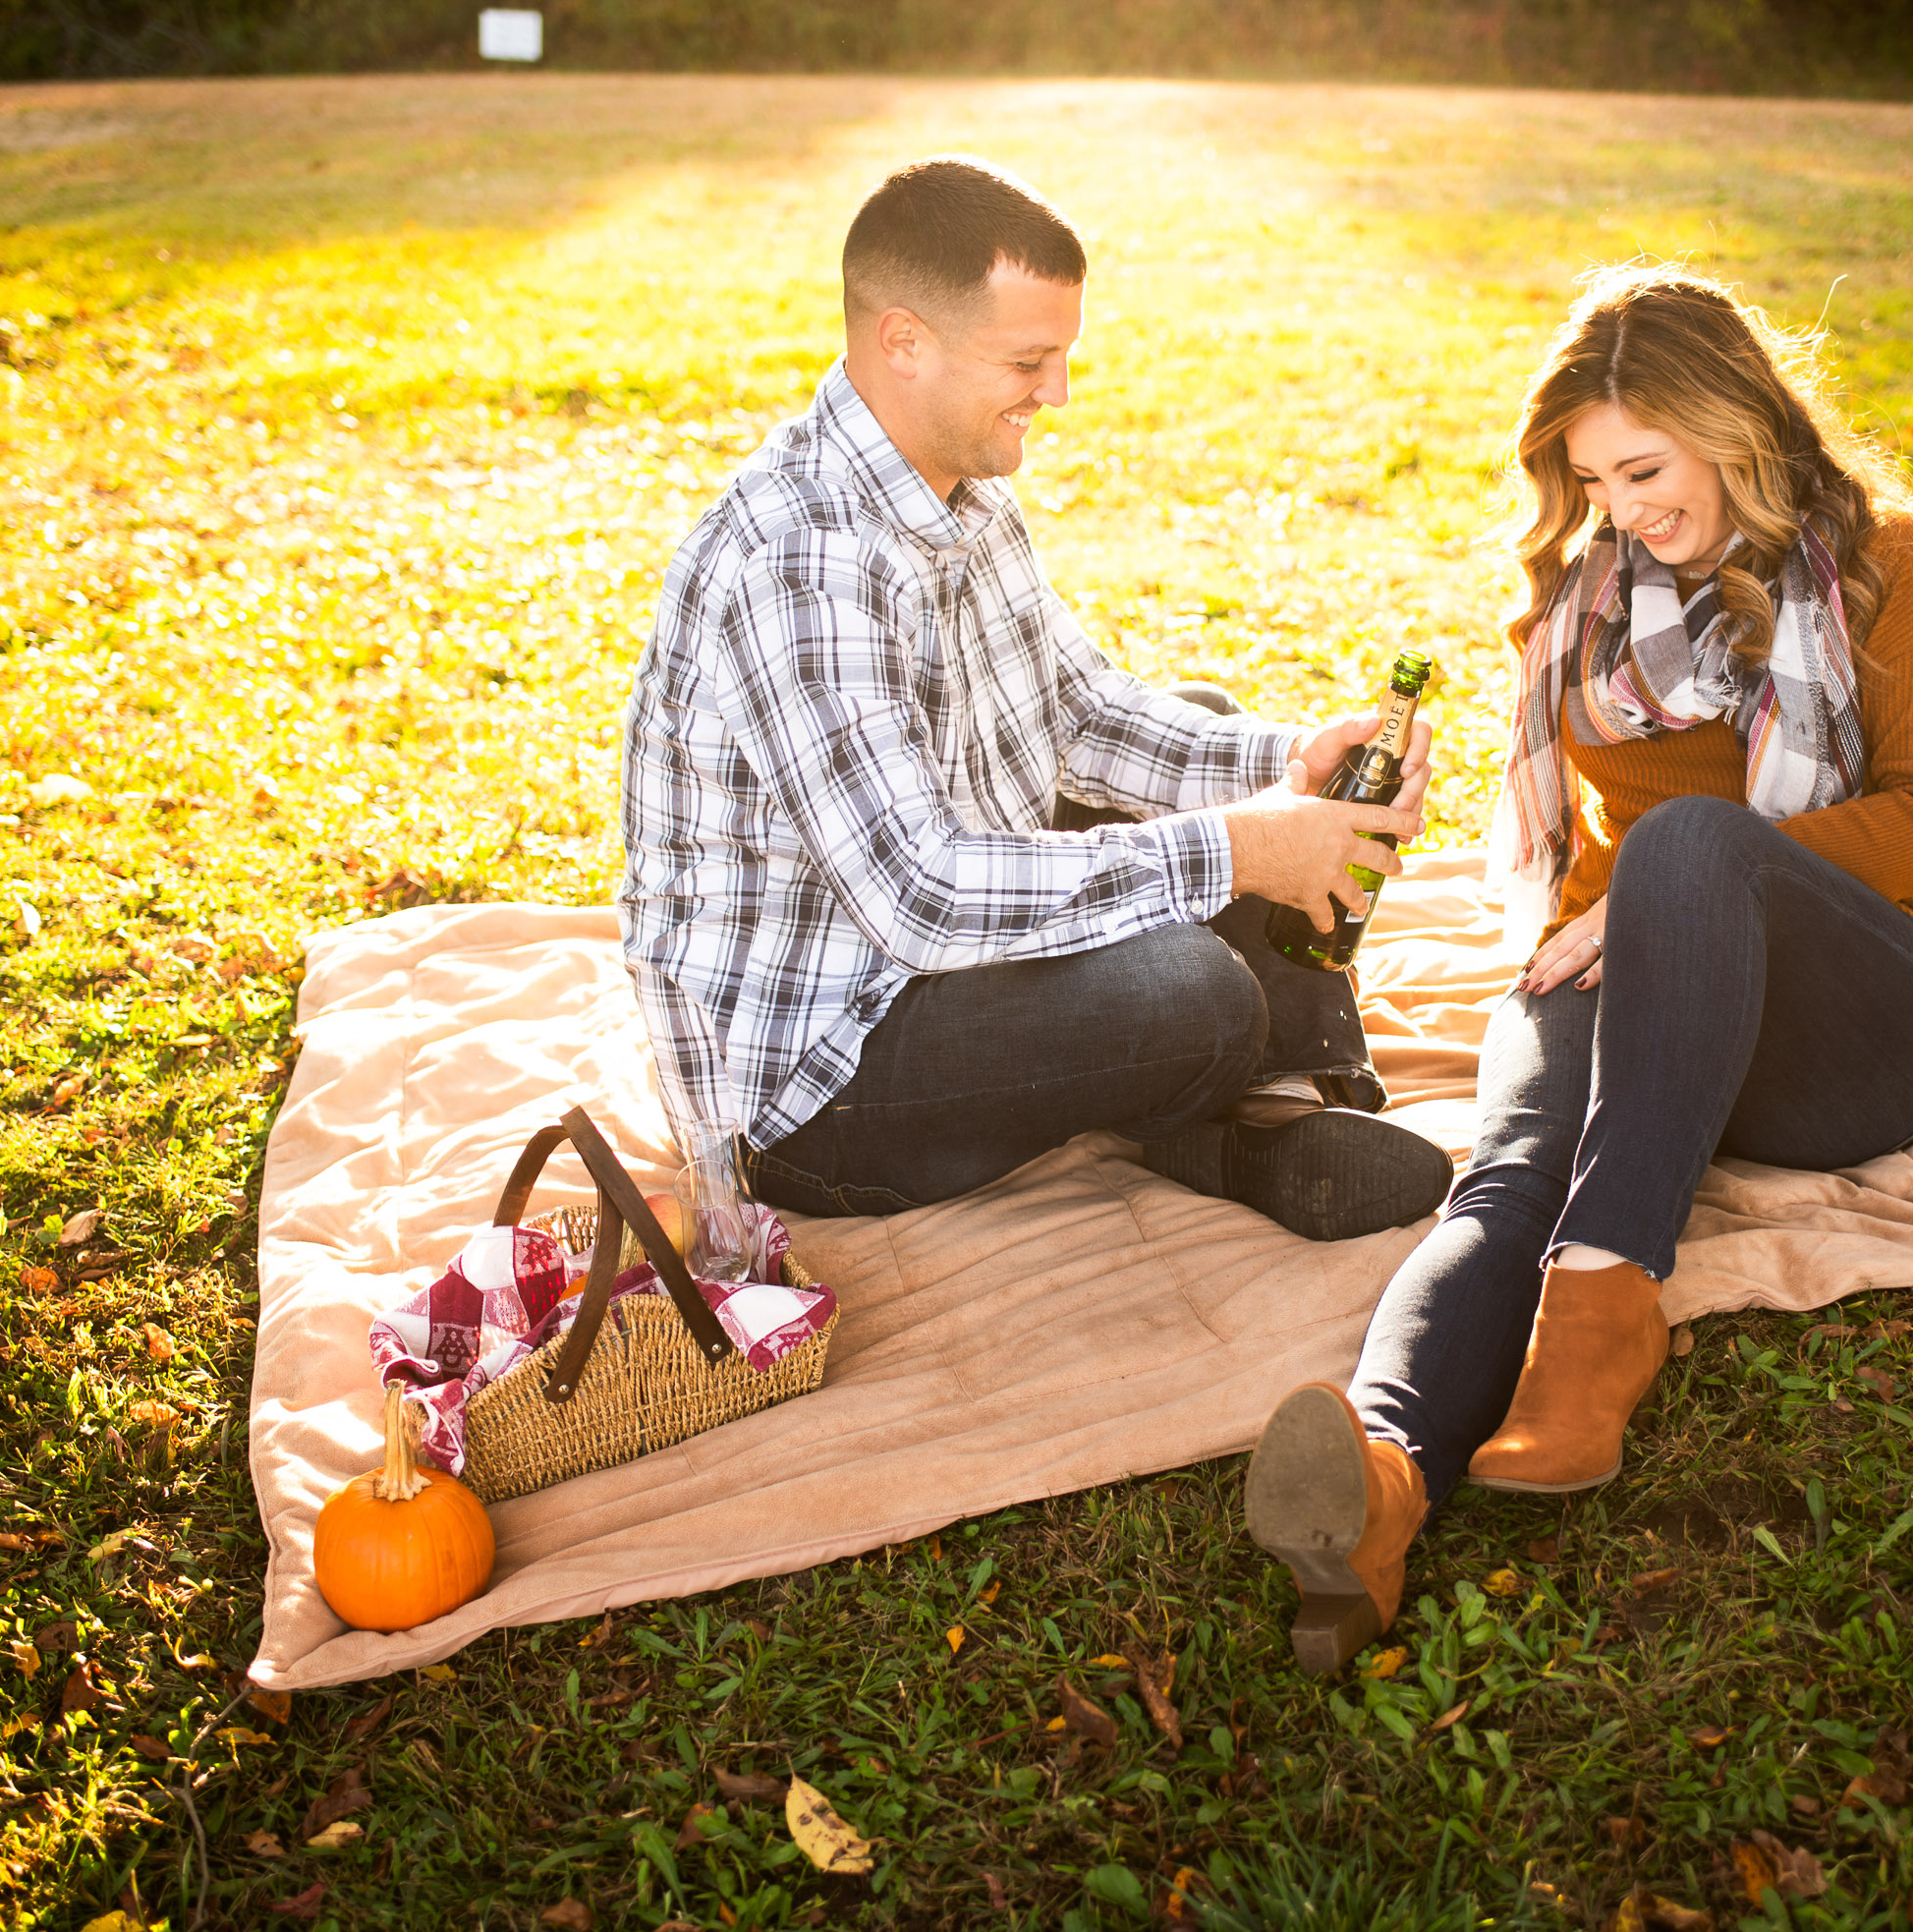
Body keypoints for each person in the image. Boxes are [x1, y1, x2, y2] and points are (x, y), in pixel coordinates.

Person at [1242, 265, 1913, 1675]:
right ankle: (1384, 1488)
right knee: (1512, 1167)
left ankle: (1603, 1322)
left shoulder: (1902, 568)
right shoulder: (1593, 597)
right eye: (1593, 480)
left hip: (1858, 1033)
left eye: (1645, 467)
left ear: (1736, 424)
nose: (1624, 508)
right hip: (1645, 983)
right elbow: (1594, 832)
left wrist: (1664, 890)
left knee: (1689, 850)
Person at [618, 156, 1453, 1242]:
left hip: (925, 934)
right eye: (1028, 360)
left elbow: (1076, 713)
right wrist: (1243, 851)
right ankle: (1212, 1099)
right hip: (818, 1080)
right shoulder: (802, 561)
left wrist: (1287, 766)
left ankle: (1279, 1100)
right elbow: (920, 893)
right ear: (903, 341)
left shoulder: (958, 480)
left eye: (1061, 357)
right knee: (1188, 989)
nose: (1056, 393)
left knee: (1208, 734)